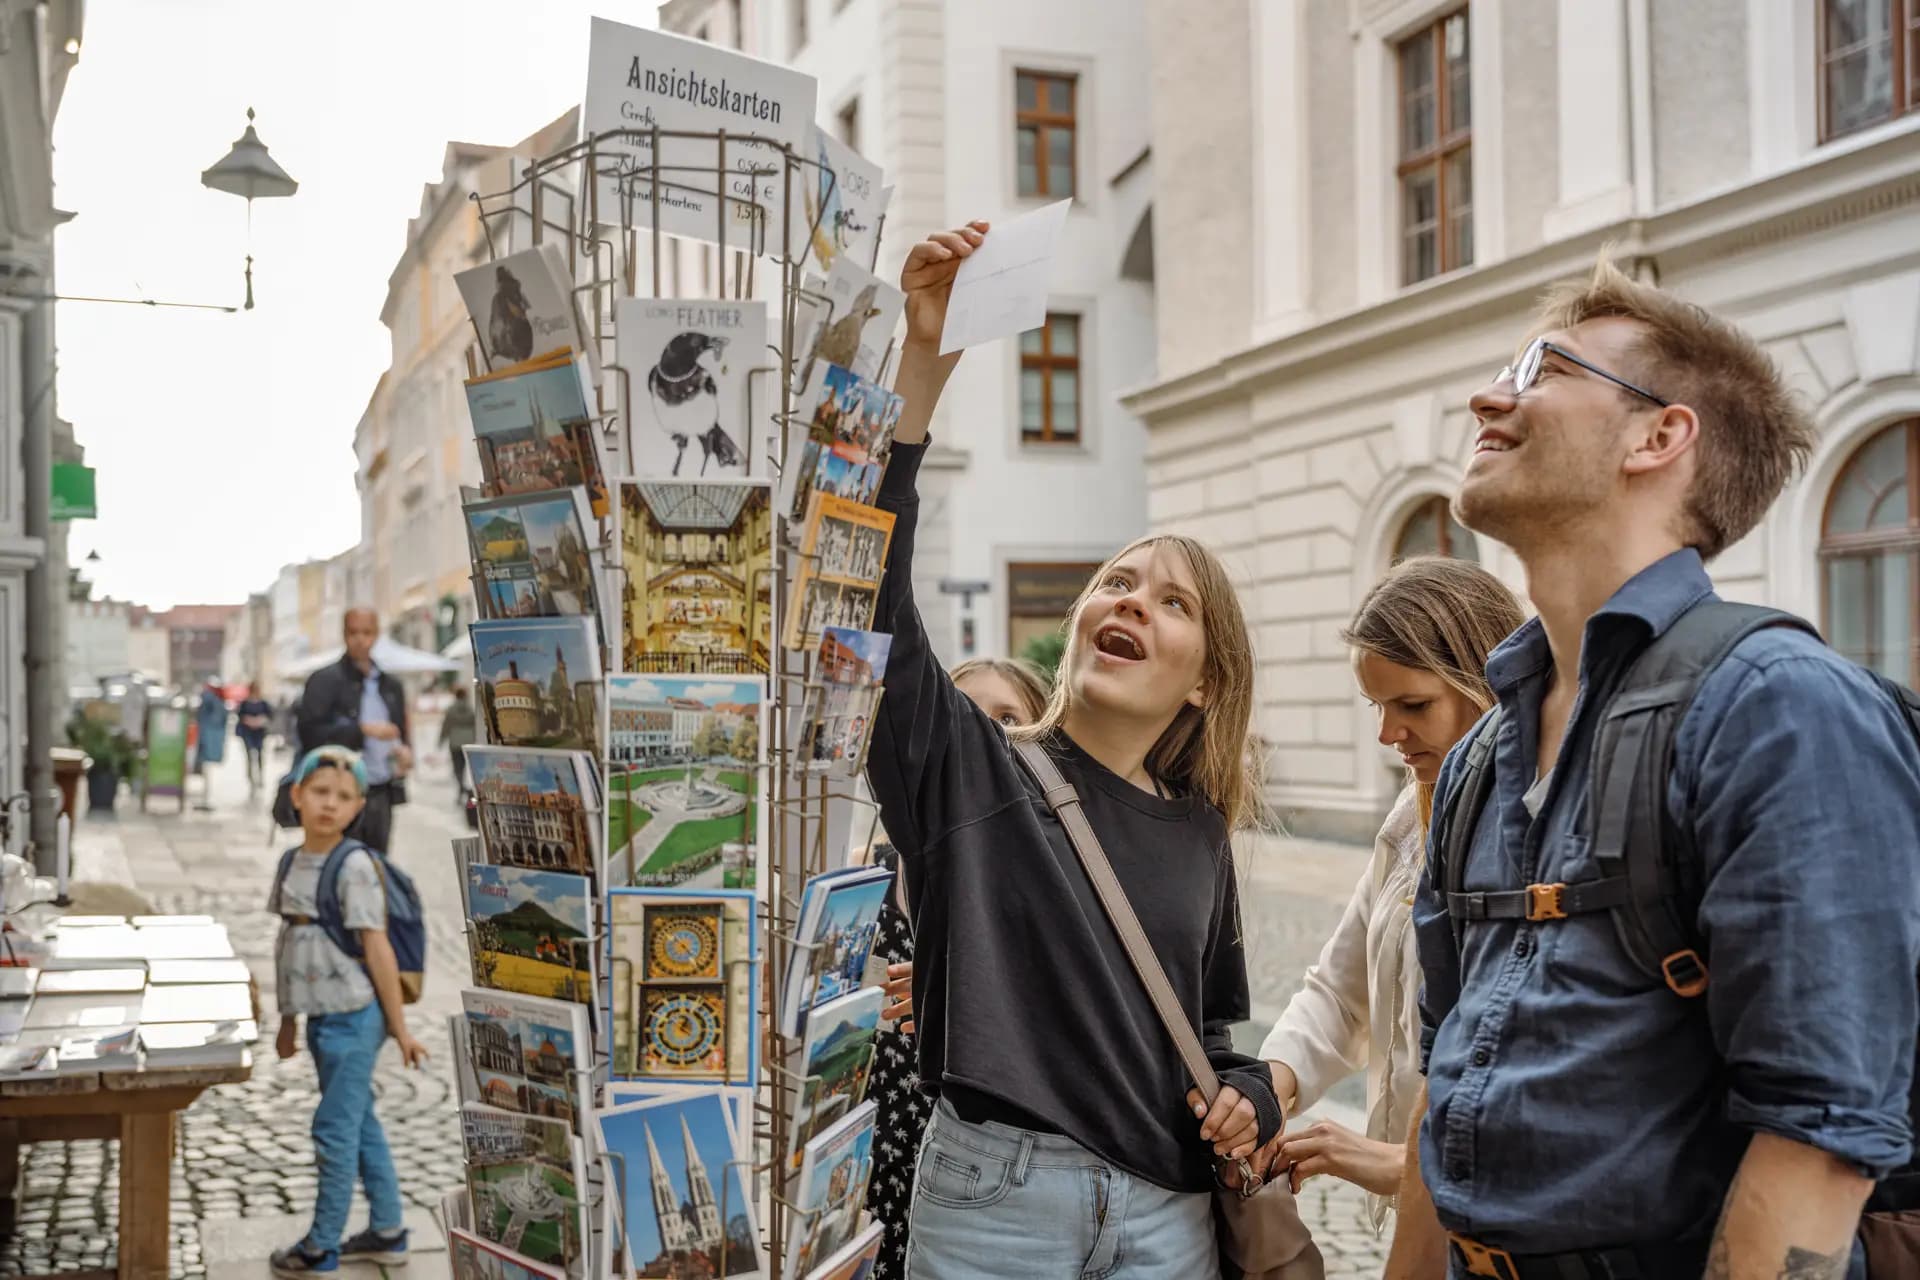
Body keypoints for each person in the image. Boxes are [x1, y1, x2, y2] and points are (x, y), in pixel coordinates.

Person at [1382, 259, 1920, 1280]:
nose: (1488, 396)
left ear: (1659, 434)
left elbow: (1820, 1140)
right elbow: (1441, 1081)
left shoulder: (1779, 706)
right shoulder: (1479, 757)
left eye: (1544, 371)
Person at [866, 221, 1281, 1279]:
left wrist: (1257, 1091)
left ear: (1203, 679)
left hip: (1166, 1214)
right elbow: (863, 598)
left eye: (1172, 599)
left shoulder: (1197, 833)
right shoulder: (974, 765)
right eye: (1119, 580)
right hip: (995, 1201)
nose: (1131, 598)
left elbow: (1207, 1038)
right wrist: (924, 359)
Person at [1255, 558, 1522, 1232]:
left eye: (1414, 705)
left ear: (1482, 681)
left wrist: (1400, 1164)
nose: (1387, 734)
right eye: (1378, 706)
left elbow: (1543, 1087)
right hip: (1432, 1216)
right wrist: (1271, 1084)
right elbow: (1343, 992)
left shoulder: (1538, 833)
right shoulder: (1411, 817)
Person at [861, 656, 1053, 1280]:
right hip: (875, 1168)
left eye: (1009, 721)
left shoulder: (1051, 889)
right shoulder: (870, 876)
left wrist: (958, 1000)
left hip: (992, 1191)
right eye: (966, 716)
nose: (984, 737)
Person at [267, 745, 429, 1276]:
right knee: (359, 1124)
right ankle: (388, 1230)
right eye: (319, 792)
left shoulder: (354, 865)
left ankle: (321, 1244)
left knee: (333, 1130)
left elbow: (377, 949)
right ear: (297, 795)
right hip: (320, 1019)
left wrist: (399, 1029)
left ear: (359, 806)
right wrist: (288, 1021)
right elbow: (288, 946)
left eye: (343, 797)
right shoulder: (291, 862)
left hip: (357, 1016)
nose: (329, 805)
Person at [296, 609, 410, 856]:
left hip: (380, 791)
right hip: (337, 790)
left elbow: (401, 733)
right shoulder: (324, 680)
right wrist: (361, 731)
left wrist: (404, 755)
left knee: (376, 864)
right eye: (354, 633)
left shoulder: (391, 686)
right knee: (334, 862)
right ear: (344, 634)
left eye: (367, 633)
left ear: (377, 635)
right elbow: (309, 733)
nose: (361, 640)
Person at [438, 684, 478, 801]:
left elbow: (446, 726)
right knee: (468, 768)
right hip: (469, 742)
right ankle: (467, 789)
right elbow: (476, 726)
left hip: (455, 742)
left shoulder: (450, 709)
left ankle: (460, 787)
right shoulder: (471, 709)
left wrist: (441, 740)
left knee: (457, 768)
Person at [236, 682, 274, 793]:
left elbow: (270, 715)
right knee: (249, 755)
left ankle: (260, 775)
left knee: (260, 754)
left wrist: (261, 720)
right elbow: (240, 716)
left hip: (259, 732)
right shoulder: (245, 703)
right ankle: (250, 776)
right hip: (248, 731)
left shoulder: (263, 703)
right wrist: (248, 720)